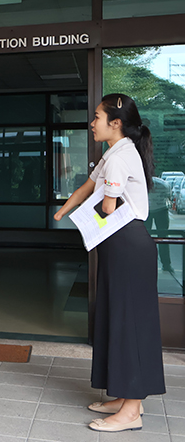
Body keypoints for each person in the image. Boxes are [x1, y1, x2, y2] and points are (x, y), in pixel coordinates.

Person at [54, 93, 165, 433]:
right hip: (119, 245)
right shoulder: (114, 153)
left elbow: (107, 207)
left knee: (129, 322)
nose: (92, 123)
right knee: (117, 317)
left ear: (116, 123)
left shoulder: (120, 157)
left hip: (127, 244)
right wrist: (63, 211)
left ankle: (132, 410)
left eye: (97, 117)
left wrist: (86, 215)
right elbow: (89, 186)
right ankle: (123, 396)